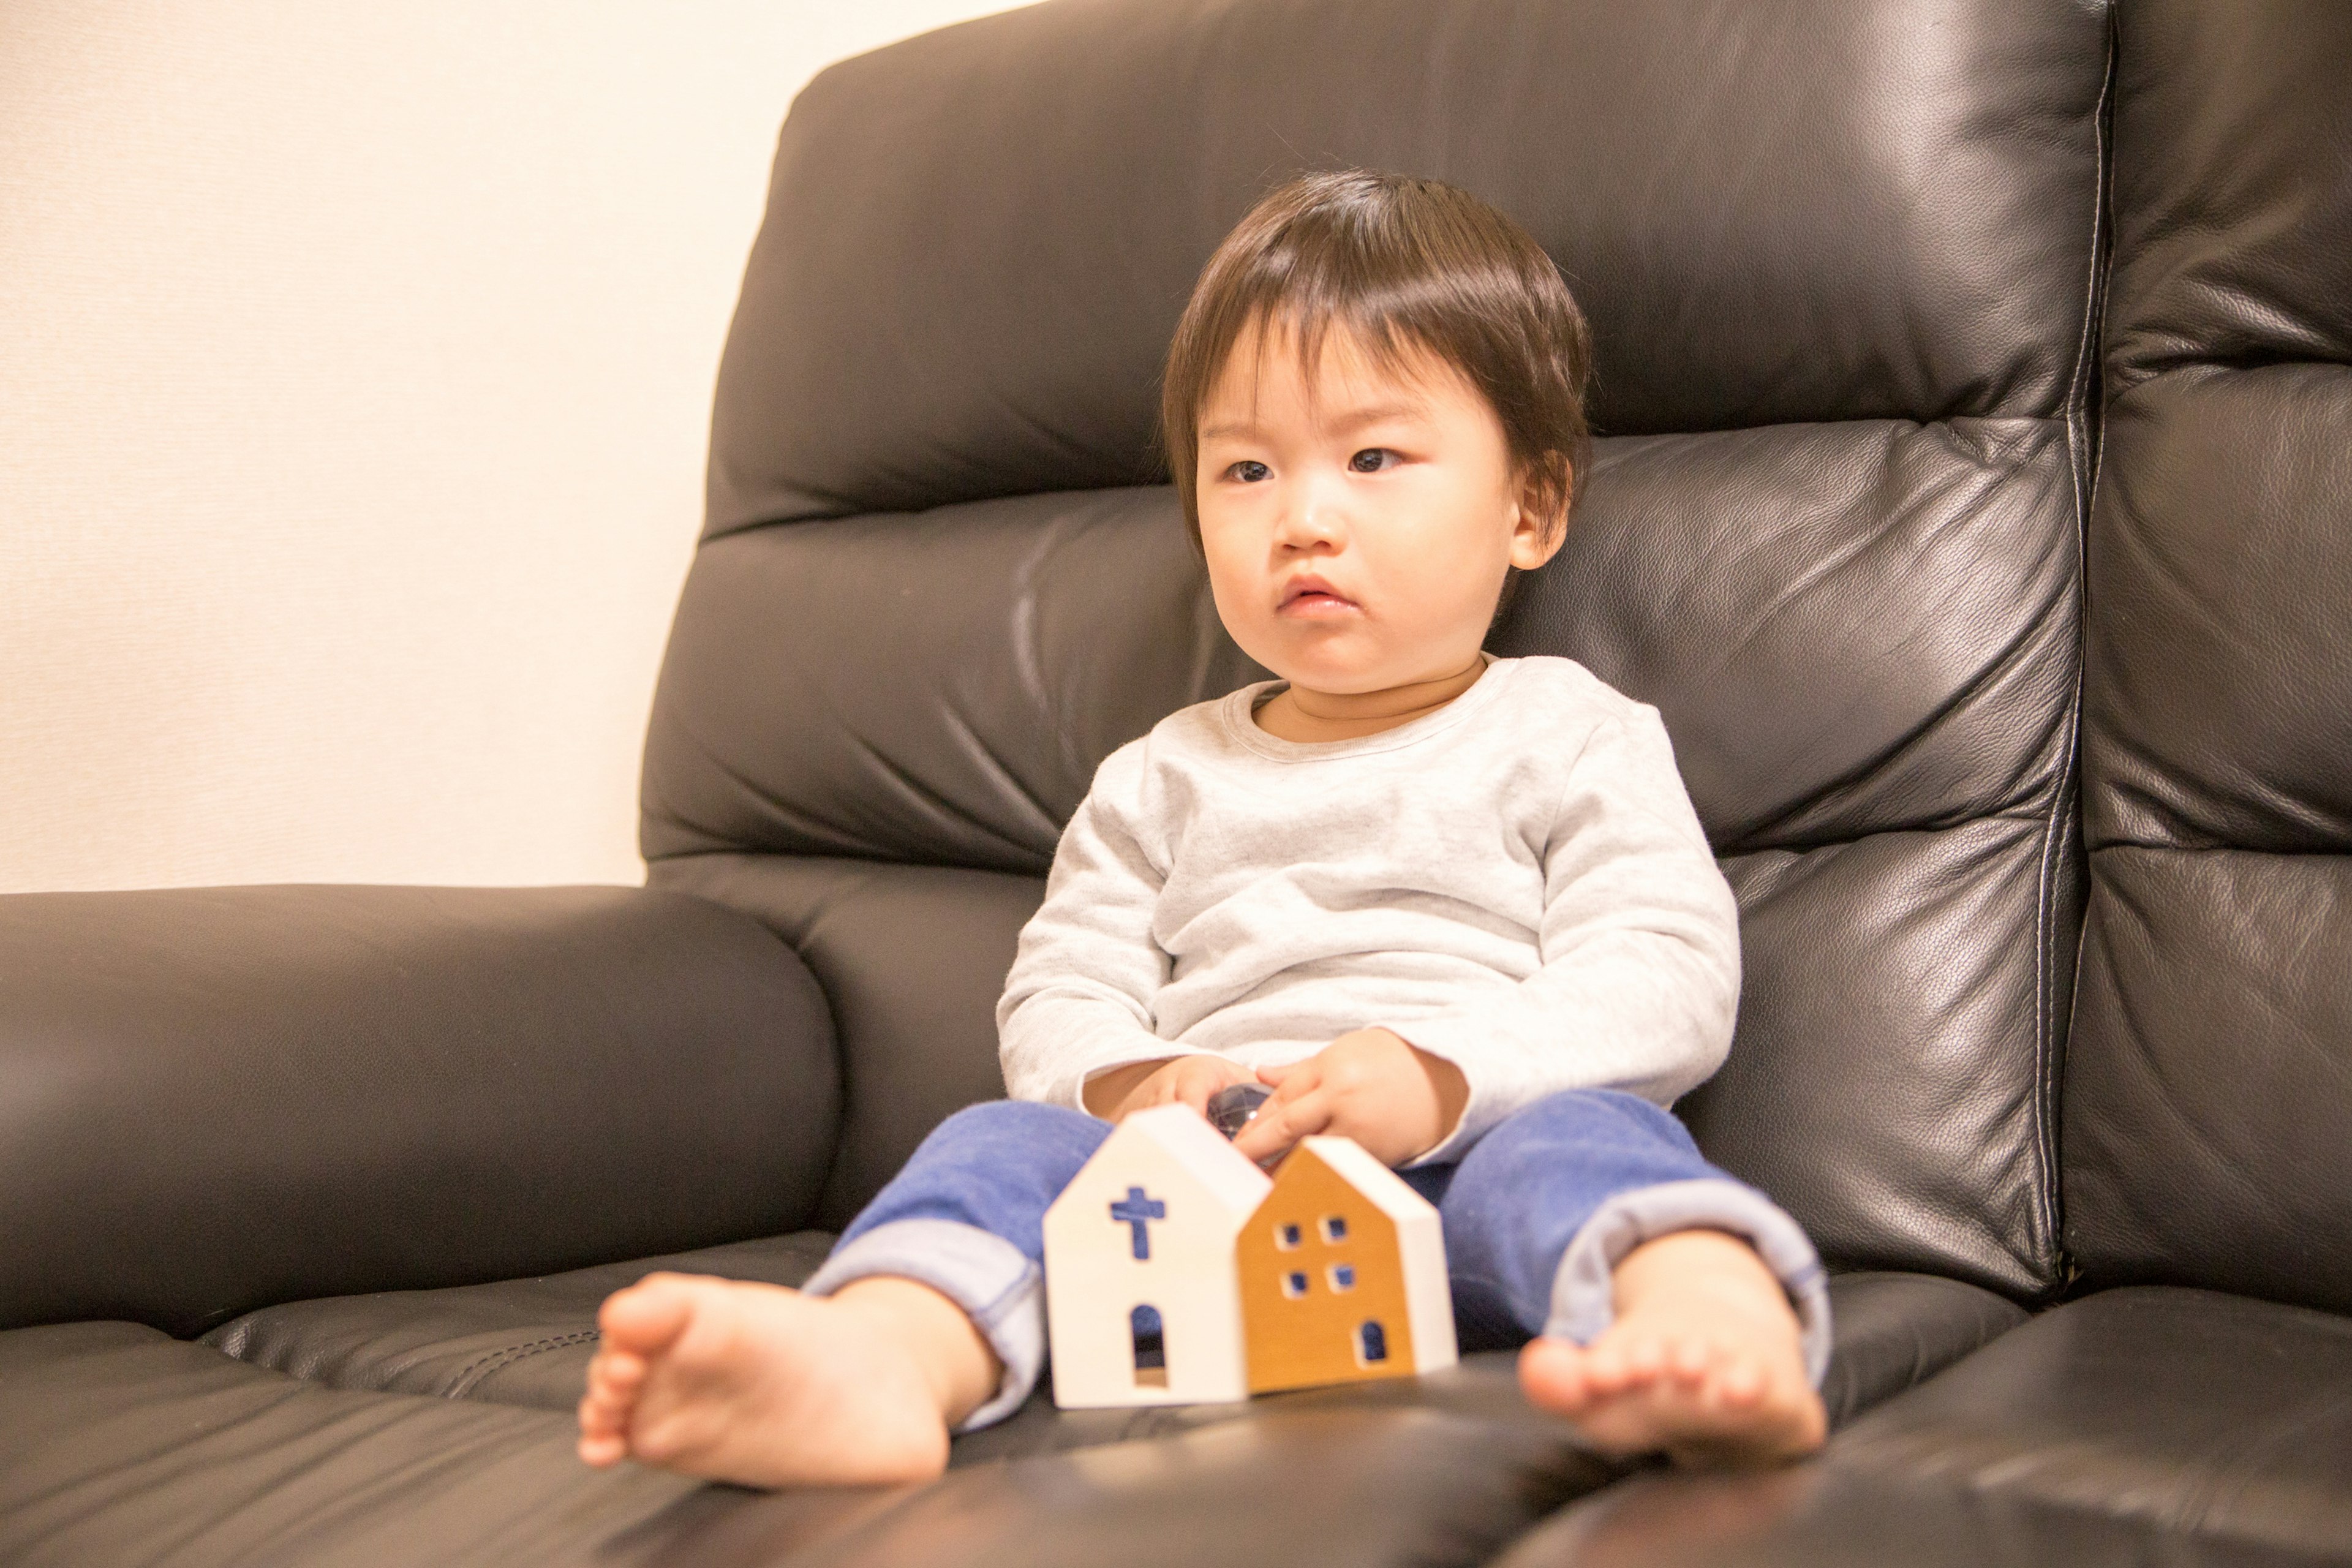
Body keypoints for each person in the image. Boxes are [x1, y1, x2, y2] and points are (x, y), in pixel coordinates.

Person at [577, 170, 1831, 1489]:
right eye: (1246, 468)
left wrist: (1442, 1075)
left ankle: (1709, 1327)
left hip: (1471, 1160)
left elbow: (1666, 973)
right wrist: (1132, 1083)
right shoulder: (1161, 776)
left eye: (1373, 457)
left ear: (1532, 507)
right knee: (999, 1150)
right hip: (1189, 1203)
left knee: (1593, 1144)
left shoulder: (1570, 730)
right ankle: (881, 1355)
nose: (1303, 516)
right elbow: (1060, 987)